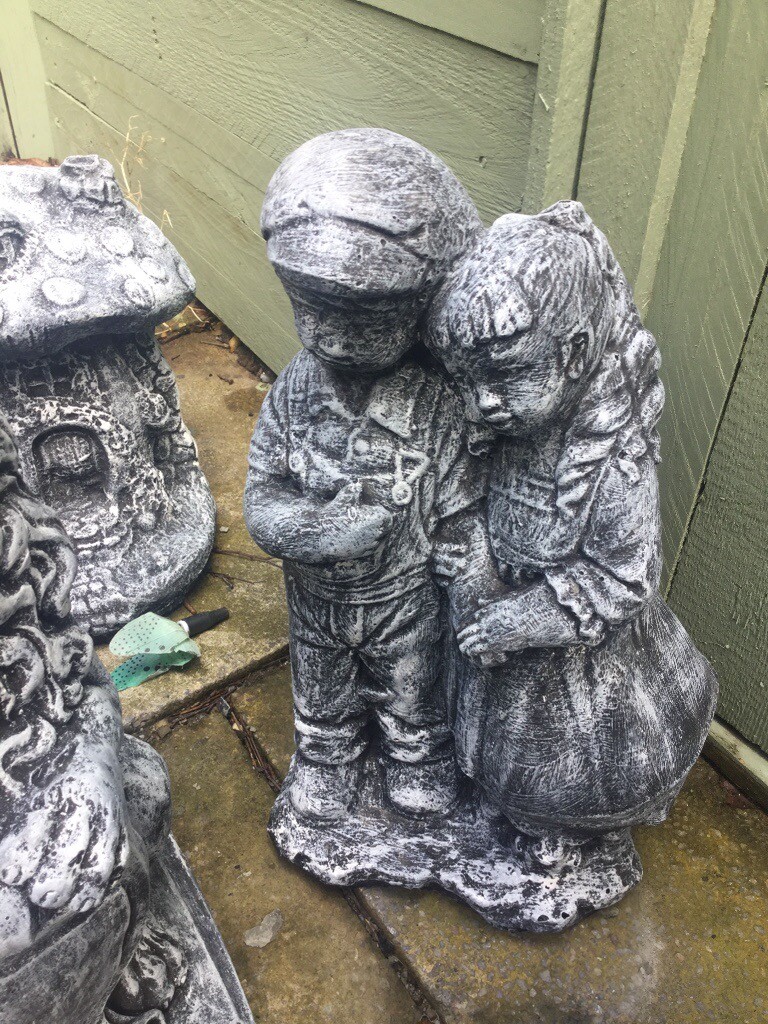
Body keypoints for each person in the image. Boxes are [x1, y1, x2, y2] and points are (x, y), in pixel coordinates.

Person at [426, 201, 718, 869]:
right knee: (492, 742)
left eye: (505, 376)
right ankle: (501, 797)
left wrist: (524, 618)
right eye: (467, 382)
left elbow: (624, 575)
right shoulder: (503, 428)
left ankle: (568, 827)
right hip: (499, 628)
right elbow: (468, 504)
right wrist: (474, 565)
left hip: (579, 664)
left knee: (561, 766)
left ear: (576, 353)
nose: (481, 402)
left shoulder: (610, 463)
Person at [244, 129, 484, 821]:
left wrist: (462, 554)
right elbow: (262, 494)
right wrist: (316, 529)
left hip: (406, 596)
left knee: (413, 682)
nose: (335, 338)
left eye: (367, 322)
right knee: (320, 682)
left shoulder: (435, 402)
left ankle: (417, 752)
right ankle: (327, 754)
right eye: (312, 312)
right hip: (315, 595)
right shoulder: (295, 392)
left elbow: (464, 499)